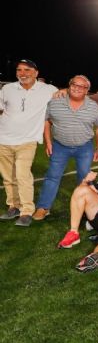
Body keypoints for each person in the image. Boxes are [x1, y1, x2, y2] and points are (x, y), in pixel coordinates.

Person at [33, 75, 98, 221]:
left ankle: (86, 208)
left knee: (84, 178)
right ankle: (43, 207)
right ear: (69, 85)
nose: (77, 88)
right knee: (52, 176)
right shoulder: (55, 102)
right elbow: (47, 122)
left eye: (82, 86)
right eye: (74, 84)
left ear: (87, 90)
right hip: (60, 146)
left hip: (84, 147)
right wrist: (48, 142)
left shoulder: (93, 107)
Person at [0, 59, 59, 226]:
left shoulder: (47, 89)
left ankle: (26, 211)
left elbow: (65, 95)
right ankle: (13, 206)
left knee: (22, 175)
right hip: (3, 139)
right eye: (19, 70)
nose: (22, 73)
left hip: (27, 140)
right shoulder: (7, 88)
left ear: (36, 72)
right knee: (8, 178)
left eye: (27, 70)